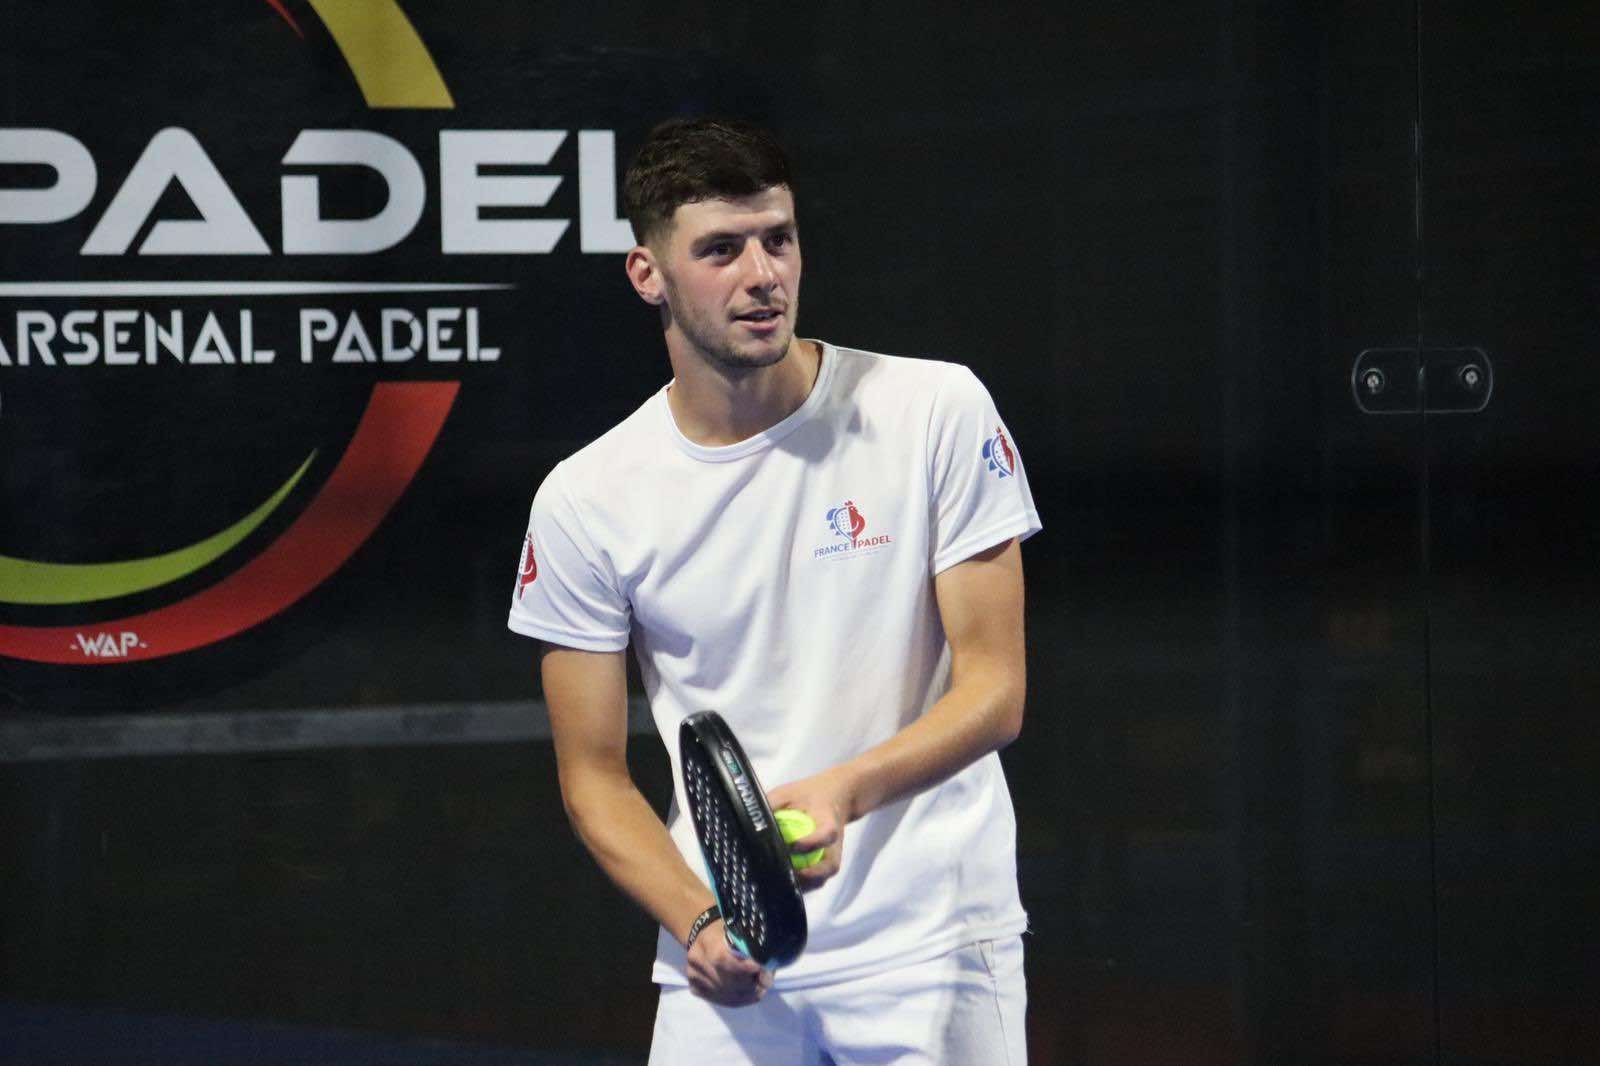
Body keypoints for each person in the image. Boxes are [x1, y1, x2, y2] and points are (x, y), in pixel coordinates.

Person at [507, 116, 1040, 1064]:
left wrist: (845, 790)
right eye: (720, 249)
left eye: (778, 240)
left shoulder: (935, 411)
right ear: (648, 275)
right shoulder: (585, 500)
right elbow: (592, 775)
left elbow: (996, 694)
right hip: (728, 972)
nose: (762, 275)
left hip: (935, 952)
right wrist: (697, 919)